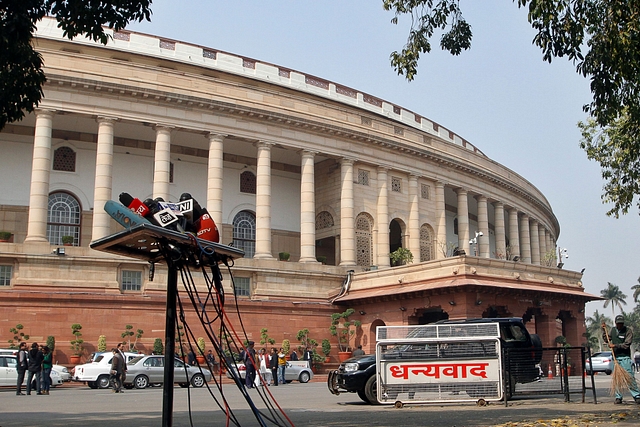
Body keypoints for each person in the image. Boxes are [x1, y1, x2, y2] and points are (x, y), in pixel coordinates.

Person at [603, 315, 640, 404]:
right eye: (618, 323)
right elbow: (607, 339)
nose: (619, 325)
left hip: (625, 358)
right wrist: (604, 330)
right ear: (615, 323)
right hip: (615, 358)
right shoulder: (613, 330)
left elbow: (627, 344)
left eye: (621, 323)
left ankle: (637, 396)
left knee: (629, 377)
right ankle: (618, 397)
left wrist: (615, 345)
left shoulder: (628, 331)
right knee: (617, 378)